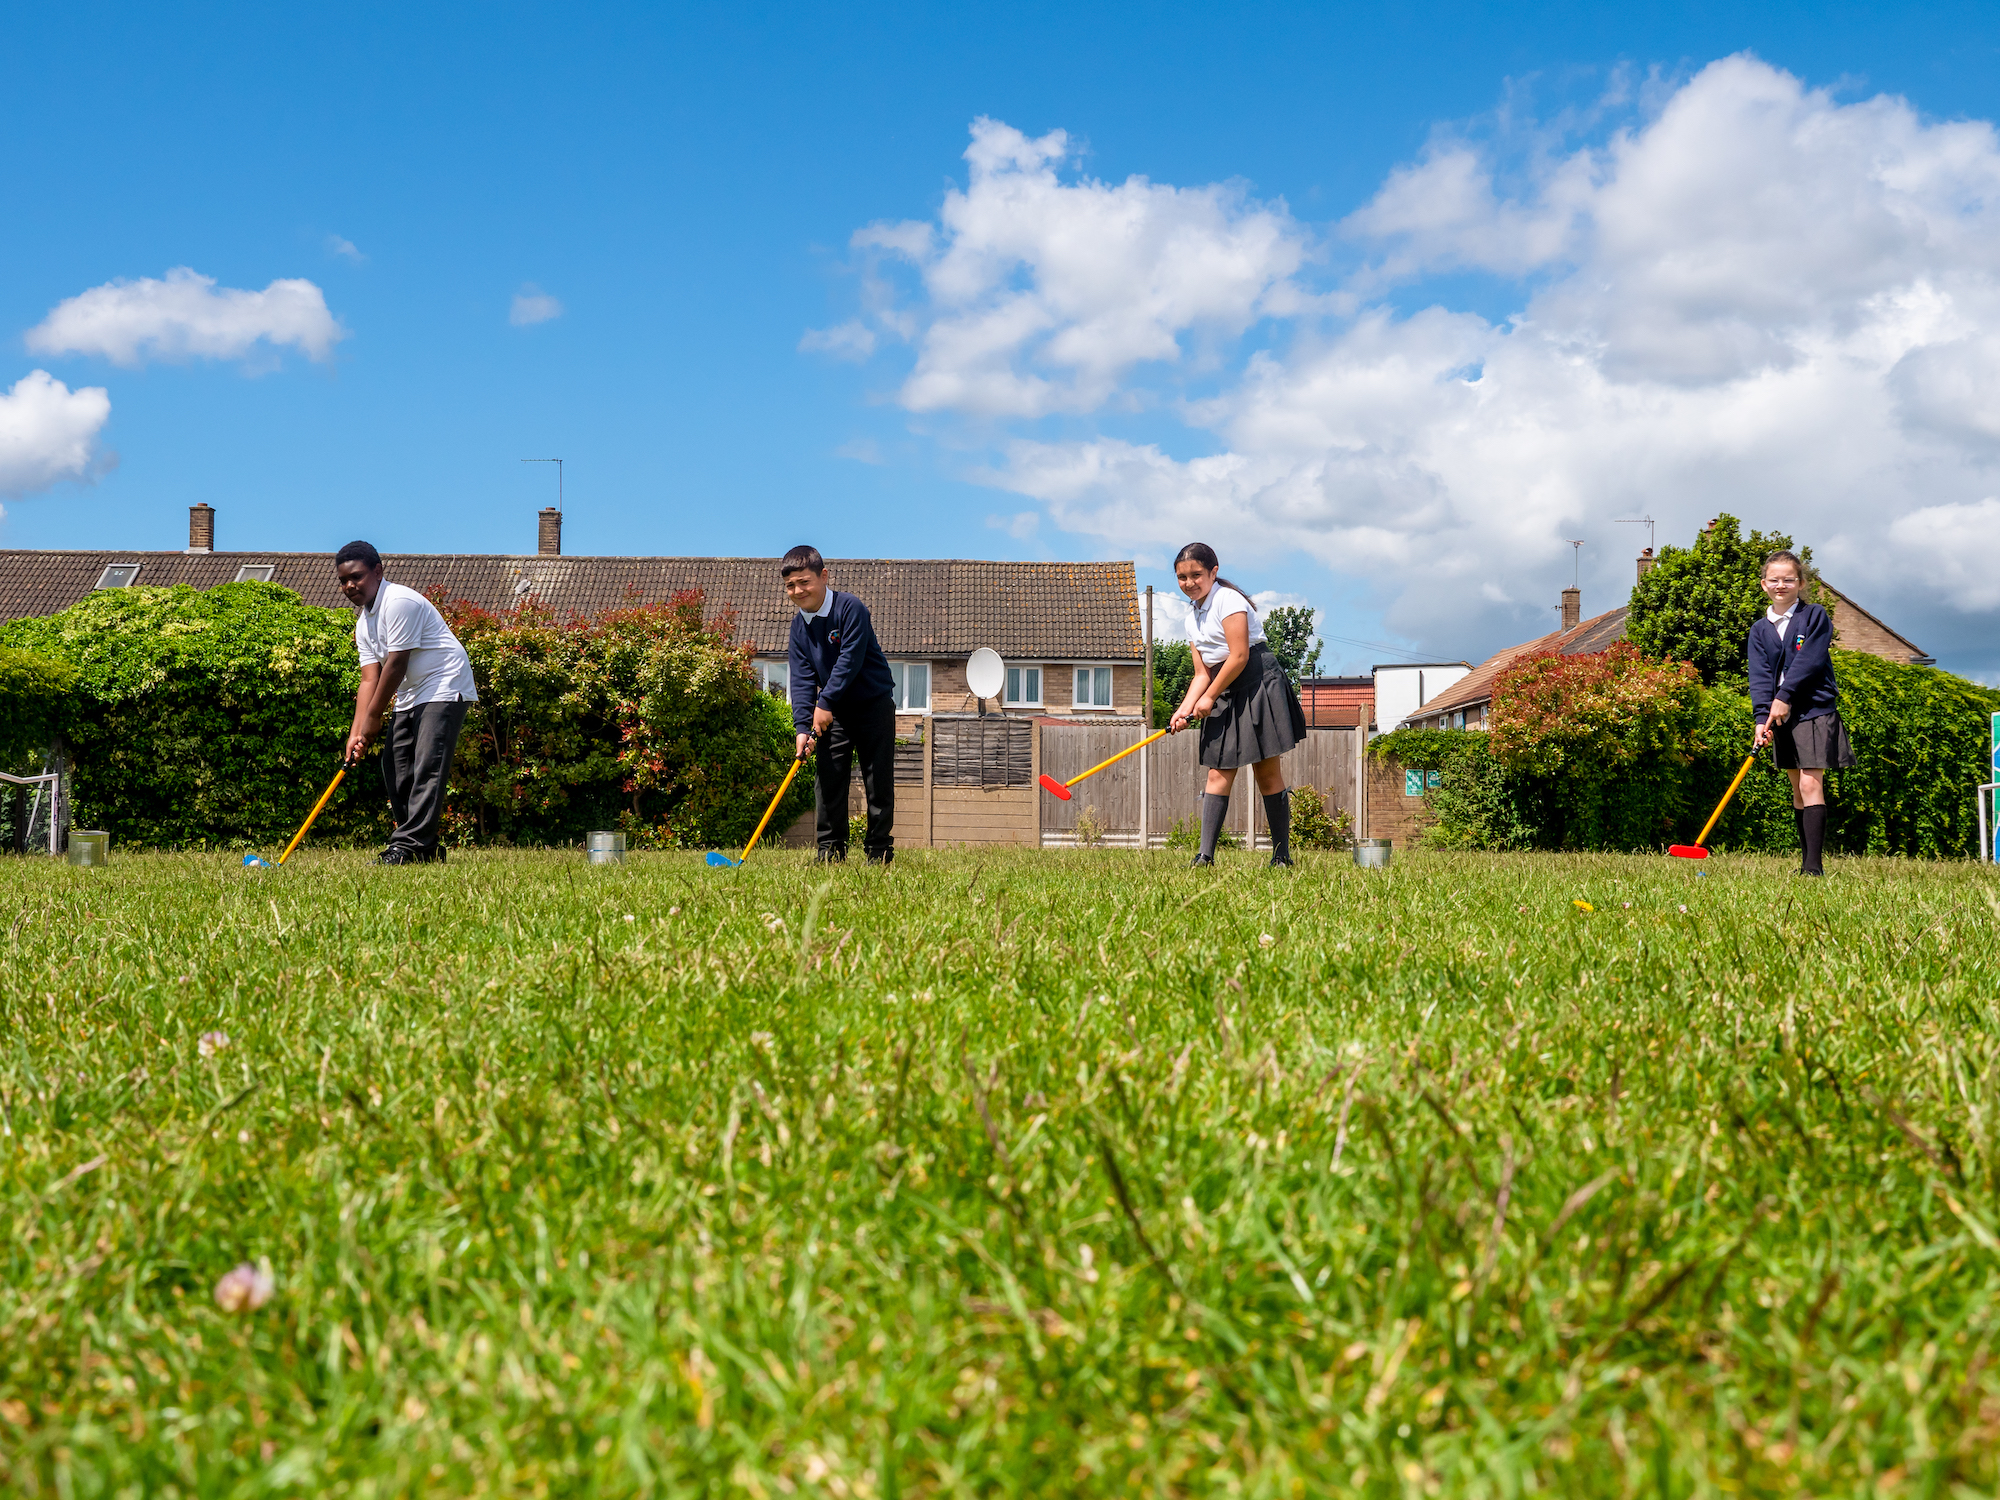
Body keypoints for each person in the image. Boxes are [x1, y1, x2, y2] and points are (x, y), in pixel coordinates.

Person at [335, 540, 478, 865]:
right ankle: (422, 847)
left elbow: (396, 664)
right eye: (343, 580)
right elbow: (369, 679)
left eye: (356, 577)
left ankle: (408, 846)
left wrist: (373, 719)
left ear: (377, 571)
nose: (350, 586)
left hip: (444, 682)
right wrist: (356, 732)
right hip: (414, 691)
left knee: (427, 764)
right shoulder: (364, 624)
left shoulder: (399, 602)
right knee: (396, 766)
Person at [1168, 543, 1309, 867]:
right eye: (1181, 577)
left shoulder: (1228, 601)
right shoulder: (1192, 617)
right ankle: (1204, 856)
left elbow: (1240, 655)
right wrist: (1184, 709)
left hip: (1257, 682)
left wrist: (1209, 697)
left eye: (1196, 575)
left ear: (1213, 572)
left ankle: (1281, 856)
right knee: (1218, 772)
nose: (1189, 582)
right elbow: (1202, 673)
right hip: (1224, 685)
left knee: (1266, 772)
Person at [783, 545, 897, 864]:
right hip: (834, 714)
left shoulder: (850, 608)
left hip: (873, 704)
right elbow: (803, 679)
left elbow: (850, 659)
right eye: (790, 585)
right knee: (829, 780)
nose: (797, 590)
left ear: (824, 576)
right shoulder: (797, 628)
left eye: (804, 581)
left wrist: (826, 701)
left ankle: (879, 851)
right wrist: (803, 727)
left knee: (878, 781)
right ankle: (830, 850)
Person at [1749, 549, 1853, 877]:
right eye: (1775, 580)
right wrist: (1761, 718)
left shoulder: (1814, 616)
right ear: (1764, 584)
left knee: (1810, 784)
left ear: (1800, 583)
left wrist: (1786, 696)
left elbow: (1811, 660)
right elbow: (1760, 676)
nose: (1782, 585)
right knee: (1797, 789)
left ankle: (1814, 868)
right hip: (1781, 717)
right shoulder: (1759, 630)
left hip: (1813, 710)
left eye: (1789, 579)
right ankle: (1806, 863)